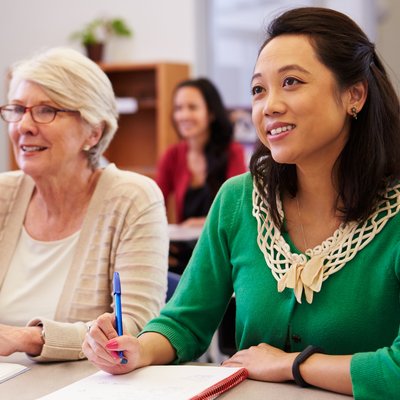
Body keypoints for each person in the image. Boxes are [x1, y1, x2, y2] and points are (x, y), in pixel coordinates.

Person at [83, 7, 400, 399]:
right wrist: (137, 349)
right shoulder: (239, 198)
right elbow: (185, 322)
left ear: (354, 95)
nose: (269, 106)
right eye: (258, 90)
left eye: (291, 82)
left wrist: (291, 364)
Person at [0, 47, 168, 362]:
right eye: (18, 109)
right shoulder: (3, 194)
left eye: (46, 110)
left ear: (94, 131)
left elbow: (133, 329)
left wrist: (27, 338)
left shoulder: (133, 198)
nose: (24, 125)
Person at [156, 78, 246, 273]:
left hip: (223, 254)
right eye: (179, 108)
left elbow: (239, 209)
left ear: (211, 113)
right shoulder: (172, 156)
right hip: (185, 256)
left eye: (192, 107)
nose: (183, 115)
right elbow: (153, 203)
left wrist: (204, 222)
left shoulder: (232, 153)